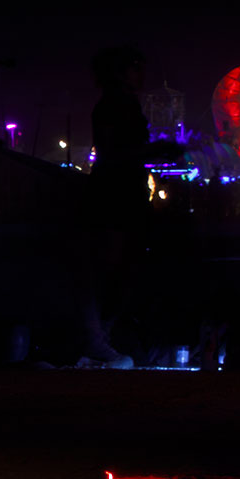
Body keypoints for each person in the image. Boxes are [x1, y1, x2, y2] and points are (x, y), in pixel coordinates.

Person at [80, 45, 175, 366]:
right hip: (115, 193)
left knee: (120, 265)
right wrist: (156, 149)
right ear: (119, 72)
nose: (141, 74)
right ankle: (96, 337)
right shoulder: (114, 106)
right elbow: (115, 152)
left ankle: (100, 335)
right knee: (112, 266)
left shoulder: (120, 104)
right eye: (135, 67)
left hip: (122, 192)